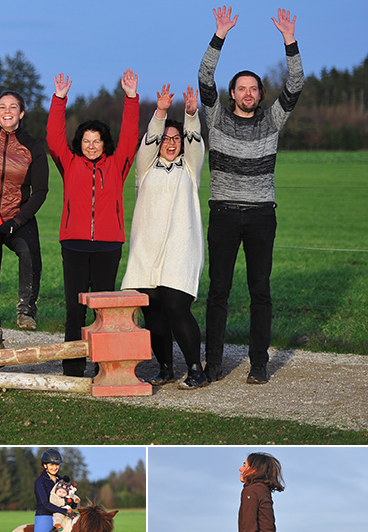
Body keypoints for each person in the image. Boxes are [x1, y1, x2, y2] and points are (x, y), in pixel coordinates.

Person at [200, 7, 304, 385]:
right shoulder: (215, 117)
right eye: (241, 87)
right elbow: (203, 76)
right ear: (232, 93)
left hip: (261, 215)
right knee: (218, 292)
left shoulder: (272, 119)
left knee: (261, 292)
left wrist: (289, 40)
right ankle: (213, 365)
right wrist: (219, 36)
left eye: (253, 88)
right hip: (224, 214)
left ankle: (258, 365)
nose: (247, 93)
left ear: (260, 94)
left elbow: (295, 84)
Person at [47, 70, 140, 377]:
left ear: (104, 143)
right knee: (74, 309)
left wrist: (130, 98)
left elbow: (129, 136)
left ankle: (106, 366)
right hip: (73, 244)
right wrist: (59, 100)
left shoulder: (117, 164)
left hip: (108, 245)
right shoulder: (69, 163)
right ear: (80, 143)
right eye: (86, 141)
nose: (90, 146)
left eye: (96, 141)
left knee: (105, 310)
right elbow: (53, 139)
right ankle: (73, 368)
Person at [120, 84, 208, 389]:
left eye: (176, 139)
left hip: (181, 249)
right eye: (166, 139)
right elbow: (147, 142)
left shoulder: (190, 168)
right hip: (147, 249)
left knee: (175, 305)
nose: (171, 143)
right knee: (153, 310)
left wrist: (190, 113)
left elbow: (196, 141)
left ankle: (196, 368)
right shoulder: (145, 168)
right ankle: (165, 367)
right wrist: (159, 113)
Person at [0, 90, 49, 348]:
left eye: (13, 107)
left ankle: (26, 310)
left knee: (29, 253)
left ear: (21, 113)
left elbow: (41, 191)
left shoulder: (33, 146)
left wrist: (17, 221)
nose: (7, 110)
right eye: (2, 106)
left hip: (17, 218)